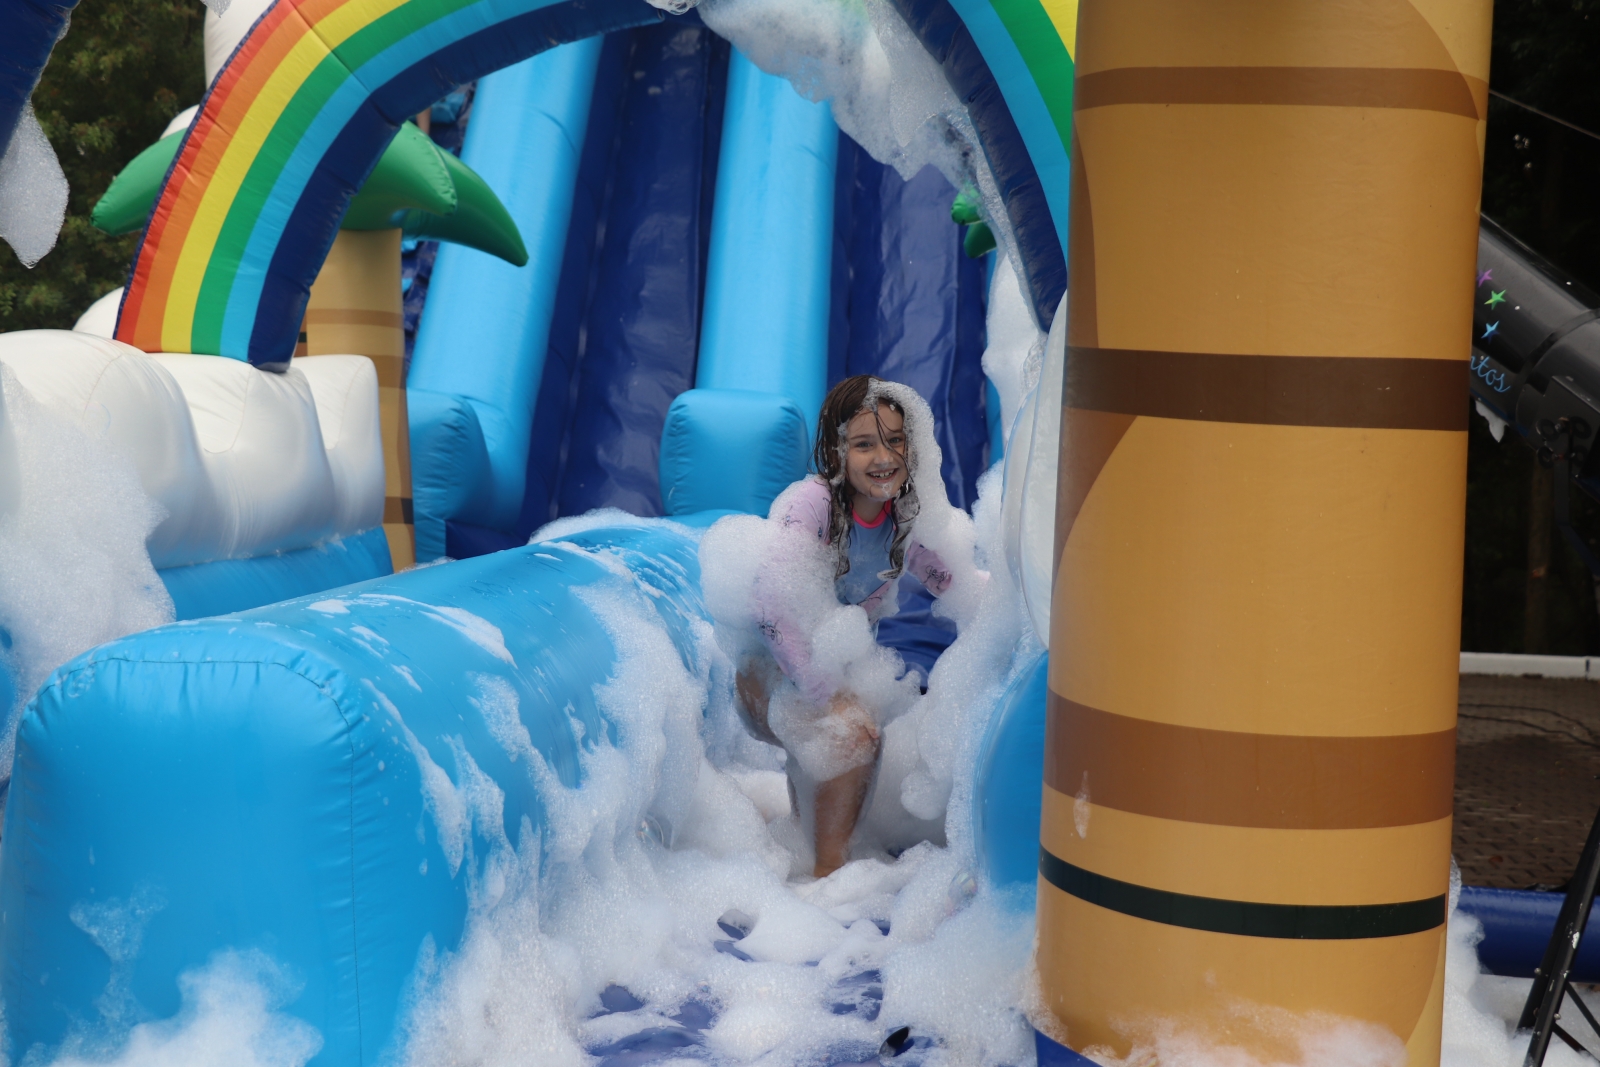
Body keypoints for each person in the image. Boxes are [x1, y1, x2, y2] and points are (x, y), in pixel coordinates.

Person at [733, 375, 974, 877]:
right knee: (855, 736)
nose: (883, 457)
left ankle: (807, 847)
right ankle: (829, 876)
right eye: (864, 444)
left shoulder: (901, 515)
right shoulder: (812, 506)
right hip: (765, 669)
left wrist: (1000, 600)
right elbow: (767, 607)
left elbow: (947, 578)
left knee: (854, 733)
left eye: (895, 440)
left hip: (820, 669)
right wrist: (827, 692)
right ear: (836, 452)